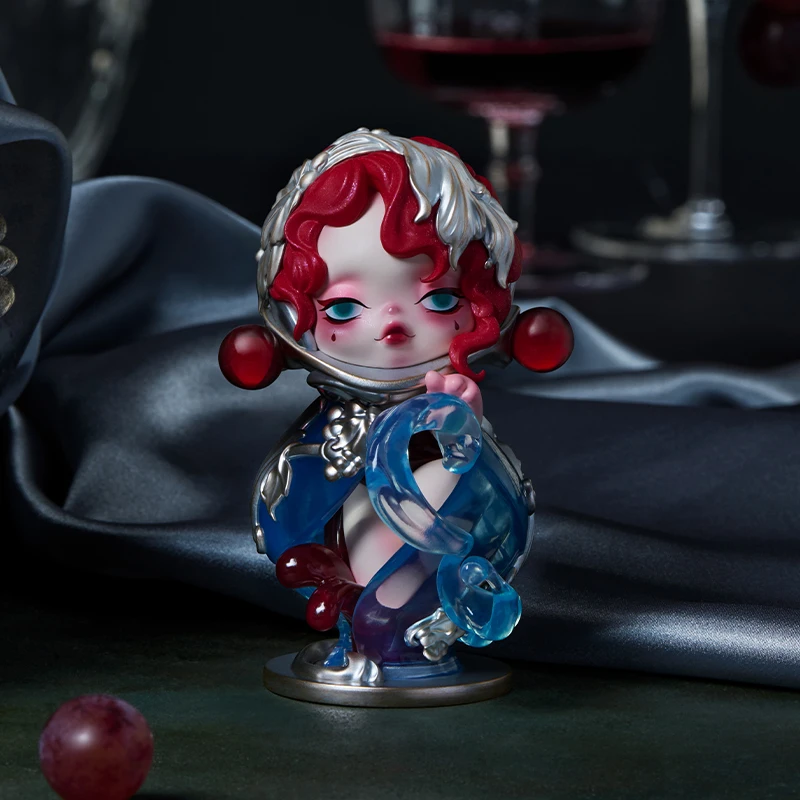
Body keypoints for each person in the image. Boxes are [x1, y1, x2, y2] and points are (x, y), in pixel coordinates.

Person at [221, 129, 543, 684]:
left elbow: (471, 478)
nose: (392, 325)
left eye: (439, 299)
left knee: (447, 487)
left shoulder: (448, 404)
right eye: (345, 308)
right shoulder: (314, 444)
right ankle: (366, 622)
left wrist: (457, 424)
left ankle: (399, 622)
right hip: (338, 519)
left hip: (440, 527)